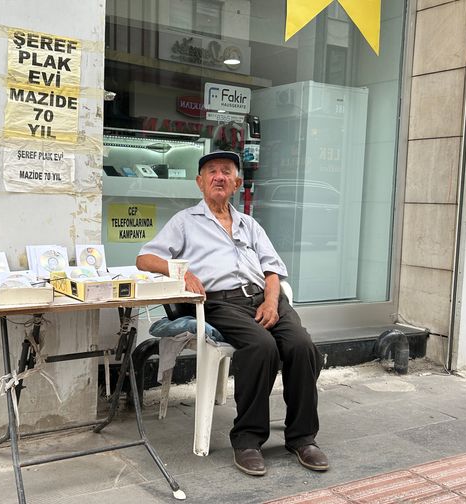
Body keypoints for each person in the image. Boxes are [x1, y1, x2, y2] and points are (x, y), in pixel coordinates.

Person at [136, 151, 327, 476]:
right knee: (261, 347)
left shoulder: (249, 224)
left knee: (301, 346)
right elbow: (145, 258)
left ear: (237, 182)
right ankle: (248, 440)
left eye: (226, 171)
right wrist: (180, 272)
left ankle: (303, 437)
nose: (219, 177)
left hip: (264, 299)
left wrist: (270, 302)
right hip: (221, 302)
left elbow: (272, 270)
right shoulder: (185, 221)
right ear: (200, 182)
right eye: (211, 172)